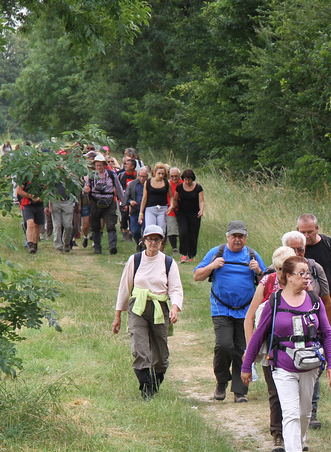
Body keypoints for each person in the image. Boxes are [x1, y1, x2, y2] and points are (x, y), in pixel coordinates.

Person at [241, 256, 331, 452]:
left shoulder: (314, 299)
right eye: (302, 273)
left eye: (308, 273)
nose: (307, 277)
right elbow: (258, 336)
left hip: (310, 365)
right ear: (289, 277)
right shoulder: (274, 302)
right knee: (291, 413)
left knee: (305, 413)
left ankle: (299, 441)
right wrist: (247, 366)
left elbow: (328, 334)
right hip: (282, 366)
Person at [193, 220, 265, 403]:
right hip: (221, 308)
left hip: (246, 310)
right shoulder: (216, 252)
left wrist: (258, 271)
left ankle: (240, 391)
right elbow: (197, 275)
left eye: (241, 236)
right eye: (234, 236)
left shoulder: (252, 255)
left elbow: (266, 282)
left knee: (242, 349)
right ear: (228, 237)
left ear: (245, 238)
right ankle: (221, 381)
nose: (238, 240)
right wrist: (212, 266)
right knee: (224, 346)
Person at [112, 225, 183, 399]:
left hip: (160, 308)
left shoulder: (168, 262)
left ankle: (155, 383)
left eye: (157, 239)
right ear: (143, 241)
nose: (153, 242)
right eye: (150, 239)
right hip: (138, 307)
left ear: (162, 243)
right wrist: (117, 316)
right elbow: (124, 288)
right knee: (139, 348)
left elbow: (175, 289)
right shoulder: (135, 260)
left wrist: (174, 308)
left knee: (161, 355)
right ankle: (146, 389)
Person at [283, 230, 331, 429]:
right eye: (292, 249)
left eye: (300, 249)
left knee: (313, 365)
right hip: (286, 336)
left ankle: (312, 412)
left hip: (313, 329)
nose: (297, 252)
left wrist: (326, 327)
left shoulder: (315, 268)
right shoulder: (275, 271)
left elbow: (326, 299)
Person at [298, 213, 331, 322]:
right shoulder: (294, 246)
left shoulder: (328, 244)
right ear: (297, 230)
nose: (306, 236)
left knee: (325, 335)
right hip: (298, 300)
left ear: (317, 229)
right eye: (303, 232)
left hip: (324, 300)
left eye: (310, 232)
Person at [83, 153, 124, 255]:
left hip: (109, 202)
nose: (98, 167)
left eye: (100, 165)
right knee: (95, 225)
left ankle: (112, 246)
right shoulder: (91, 175)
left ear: (104, 165)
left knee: (111, 224)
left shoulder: (112, 174)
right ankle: (97, 247)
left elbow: (118, 188)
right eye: (97, 165)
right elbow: (85, 188)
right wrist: (85, 190)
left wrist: (123, 201)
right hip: (95, 202)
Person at [172, 169, 205, 262]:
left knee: (193, 234)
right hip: (182, 213)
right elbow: (175, 199)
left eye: (189, 179)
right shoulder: (179, 187)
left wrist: (201, 210)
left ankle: (192, 255)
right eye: (185, 179)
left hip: (194, 214)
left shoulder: (198, 188)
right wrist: (173, 207)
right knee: (183, 233)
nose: (187, 182)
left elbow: (201, 201)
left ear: (192, 179)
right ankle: (183, 254)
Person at [139, 163, 172, 245]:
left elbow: (171, 196)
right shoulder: (148, 182)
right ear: (154, 173)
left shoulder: (167, 183)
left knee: (161, 229)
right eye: (159, 173)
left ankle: (160, 248)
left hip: (162, 208)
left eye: (163, 174)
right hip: (150, 209)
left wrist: (171, 206)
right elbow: (144, 198)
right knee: (150, 228)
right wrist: (141, 213)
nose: (161, 176)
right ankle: (147, 246)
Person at [47, 177, 78, 253]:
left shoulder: (69, 173)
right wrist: (48, 205)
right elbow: (48, 190)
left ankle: (66, 242)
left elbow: (76, 186)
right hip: (55, 201)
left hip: (67, 201)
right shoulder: (53, 174)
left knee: (68, 225)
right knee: (57, 225)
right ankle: (58, 246)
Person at [16, 178, 45, 254]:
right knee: (30, 223)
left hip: (39, 205)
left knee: (36, 225)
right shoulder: (26, 177)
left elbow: (47, 190)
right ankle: (30, 244)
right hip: (27, 205)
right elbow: (18, 190)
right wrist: (31, 196)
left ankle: (35, 245)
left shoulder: (42, 177)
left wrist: (42, 198)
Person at [123, 166, 148, 247]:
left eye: (144, 176)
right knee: (135, 231)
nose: (142, 178)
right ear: (137, 175)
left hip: (146, 211)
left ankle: (144, 247)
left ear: (147, 176)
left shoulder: (149, 184)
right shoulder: (133, 184)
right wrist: (130, 202)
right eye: (140, 176)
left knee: (146, 231)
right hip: (135, 211)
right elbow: (126, 196)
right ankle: (139, 243)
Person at [118, 157, 138, 240]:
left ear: (133, 166)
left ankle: (130, 234)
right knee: (123, 216)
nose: (125, 165)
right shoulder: (121, 175)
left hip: (133, 199)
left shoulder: (136, 176)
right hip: (122, 199)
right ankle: (124, 232)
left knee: (131, 216)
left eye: (127, 164)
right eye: (125, 164)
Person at [165, 167, 182, 255]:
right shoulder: (168, 184)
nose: (174, 178)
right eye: (172, 176)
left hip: (182, 210)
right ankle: (174, 248)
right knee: (172, 229)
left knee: (183, 230)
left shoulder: (184, 183)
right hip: (171, 209)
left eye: (176, 176)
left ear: (180, 175)